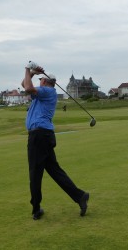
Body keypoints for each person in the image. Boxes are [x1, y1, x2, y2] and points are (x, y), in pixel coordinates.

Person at [21, 61, 89, 220]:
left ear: (45, 82)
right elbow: (25, 83)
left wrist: (27, 68)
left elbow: (27, 88)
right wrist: (32, 73)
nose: (39, 82)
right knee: (55, 171)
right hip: (44, 136)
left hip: (38, 136)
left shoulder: (47, 91)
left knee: (35, 173)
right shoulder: (45, 92)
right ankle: (80, 196)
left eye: (40, 80)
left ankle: (36, 209)